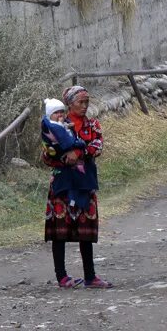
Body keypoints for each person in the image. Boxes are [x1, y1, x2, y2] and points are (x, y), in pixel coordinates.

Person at [42, 85, 112, 289]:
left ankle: (90, 276)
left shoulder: (93, 125)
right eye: (80, 102)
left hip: (84, 183)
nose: (84, 106)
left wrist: (79, 154)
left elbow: (97, 146)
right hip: (62, 183)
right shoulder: (56, 125)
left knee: (86, 230)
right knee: (59, 231)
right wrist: (61, 156)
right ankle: (61, 276)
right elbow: (46, 155)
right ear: (69, 104)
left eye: (86, 103)